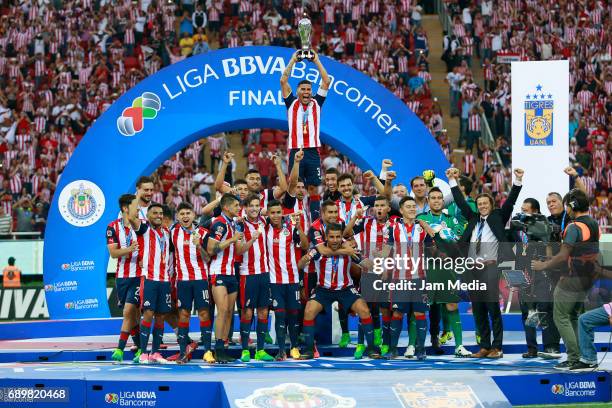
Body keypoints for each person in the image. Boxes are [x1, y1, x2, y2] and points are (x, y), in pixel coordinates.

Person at [447, 166, 524, 359]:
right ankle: (484, 347)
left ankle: (497, 347)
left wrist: (518, 181)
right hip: (471, 269)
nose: (482, 206)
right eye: (479, 203)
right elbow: (460, 201)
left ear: (491, 204)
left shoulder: (498, 216)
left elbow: (511, 201)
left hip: (490, 267)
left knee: (491, 308)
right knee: (478, 309)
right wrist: (452, 182)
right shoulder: (473, 218)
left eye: (485, 203)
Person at [532, 189, 601, 370]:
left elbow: (563, 256)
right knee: (574, 317)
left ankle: (573, 357)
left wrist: (543, 266)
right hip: (587, 278)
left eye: (566, 205)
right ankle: (584, 357)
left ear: (571, 206)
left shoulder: (573, 227)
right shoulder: (594, 224)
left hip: (572, 279)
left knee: (561, 316)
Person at [297, 223, 380, 360]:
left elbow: (367, 264)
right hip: (323, 289)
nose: (335, 240)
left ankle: (372, 349)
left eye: (337, 237)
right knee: (309, 311)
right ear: (326, 237)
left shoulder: (349, 248)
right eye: (331, 237)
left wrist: (369, 262)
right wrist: (304, 259)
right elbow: (300, 265)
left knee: (364, 310)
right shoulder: (317, 249)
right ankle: (308, 350)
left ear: (342, 236)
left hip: (345, 289)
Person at [417, 187, 472, 358]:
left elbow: (458, 245)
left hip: (447, 269)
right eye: (432, 197)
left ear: (443, 200)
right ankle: (425, 342)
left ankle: (459, 345)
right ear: (428, 200)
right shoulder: (420, 219)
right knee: (426, 307)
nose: (436, 200)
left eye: (439, 198)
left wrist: (443, 241)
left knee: (451, 305)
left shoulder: (452, 220)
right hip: (425, 270)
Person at [280, 50, 331, 199]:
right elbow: (283, 80)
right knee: (294, 185)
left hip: (313, 151)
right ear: (297, 91)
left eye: (309, 89)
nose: (306, 92)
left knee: (314, 186)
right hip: (296, 149)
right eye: (303, 89)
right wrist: (292, 60)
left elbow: (326, 81)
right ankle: (295, 215)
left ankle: (313, 216)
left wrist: (316, 61)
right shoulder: (291, 102)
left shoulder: (317, 102)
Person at [513, 198, 560, 359]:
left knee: (544, 309)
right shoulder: (518, 227)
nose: (522, 212)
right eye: (522, 209)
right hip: (522, 273)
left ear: (536, 212)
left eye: (526, 210)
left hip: (541, 274)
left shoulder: (543, 227)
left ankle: (550, 347)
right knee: (527, 312)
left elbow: (549, 251)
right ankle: (531, 348)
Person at [170, 202, 215, 364]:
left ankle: (208, 351)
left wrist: (199, 246)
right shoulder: (173, 233)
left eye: (188, 213)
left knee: (204, 314)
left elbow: (208, 258)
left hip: (201, 280)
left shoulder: (202, 232)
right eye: (182, 214)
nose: (185, 216)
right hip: (182, 281)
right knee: (184, 315)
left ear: (194, 215)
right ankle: (183, 352)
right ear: (177, 217)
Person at [265, 199, 309, 360]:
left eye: (278, 212)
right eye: (272, 212)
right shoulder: (264, 228)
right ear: (268, 214)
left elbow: (305, 245)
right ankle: (282, 350)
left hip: (292, 280)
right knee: (280, 315)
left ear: (282, 213)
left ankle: (295, 348)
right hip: (274, 281)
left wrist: (299, 227)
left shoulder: (291, 228)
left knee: (293, 315)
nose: (276, 215)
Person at [204, 193, 245, 363]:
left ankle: (224, 347)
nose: (239, 208)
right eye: (236, 205)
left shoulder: (232, 223)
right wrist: (232, 239)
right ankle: (218, 348)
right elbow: (211, 249)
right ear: (226, 207)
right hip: (218, 272)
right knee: (221, 311)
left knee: (229, 312)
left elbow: (237, 250)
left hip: (231, 273)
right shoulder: (220, 223)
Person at [131, 203, 173, 364]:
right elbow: (132, 218)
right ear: (148, 216)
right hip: (149, 278)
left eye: (161, 213)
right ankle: (143, 353)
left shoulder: (167, 233)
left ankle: (155, 353)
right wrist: (136, 201)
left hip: (164, 280)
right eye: (154, 213)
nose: (158, 216)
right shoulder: (145, 229)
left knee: (161, 316)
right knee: (148, 314)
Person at [235, 194, 274, 362]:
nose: (254, 208)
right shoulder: (240, 225)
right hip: (247, 274)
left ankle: (260, 350)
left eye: (256, 205)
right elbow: (239, 250)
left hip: (264, 273)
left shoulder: (264, 222)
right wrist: (252, 239)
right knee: (247, 312)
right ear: (245, 207)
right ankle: (245, 349)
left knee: (264, 311)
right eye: (250, 205)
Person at [108, 194, 142, 363]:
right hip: (122, 277)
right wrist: (130, 249)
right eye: (136, 205)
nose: (139, 208)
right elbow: (113, 253)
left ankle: (119, 349)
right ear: (125, 208)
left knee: (128, 311)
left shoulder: (141, 226)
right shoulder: (112, 227)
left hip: (138, 276)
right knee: (133, 316)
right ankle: (141, 349)